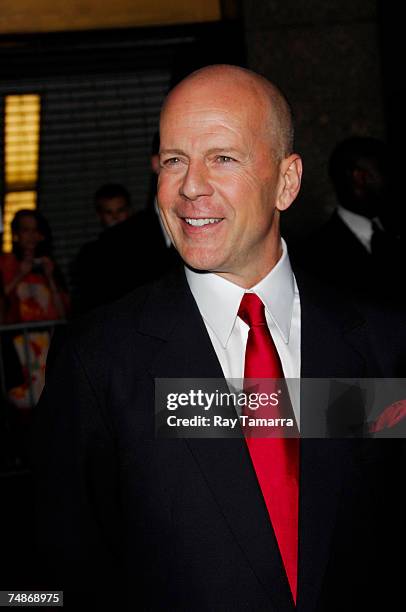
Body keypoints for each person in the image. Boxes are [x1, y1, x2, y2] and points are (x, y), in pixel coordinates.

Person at [34, 66, 405, 611]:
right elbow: (56, 573)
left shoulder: (381, 342)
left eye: (223, 158)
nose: (190, 186)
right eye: (174, 159)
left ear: (287, 181)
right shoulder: (100, 361)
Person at [293, 136, 405, 304]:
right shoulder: (314, 255)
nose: (394, 180)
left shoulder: (395, 233)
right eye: (385, 171)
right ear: (360, 177)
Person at [0, 209, 69, 409]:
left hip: (48, 347)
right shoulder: (6, 263)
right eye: (25, 230)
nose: (31, 236)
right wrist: (19, 274)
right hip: (17, 348)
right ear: (16, 234)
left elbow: (63, 312)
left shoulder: (49, 266)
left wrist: (49, 276)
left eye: (35, 231)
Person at [71, 183, 132, 313]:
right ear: (99, 215)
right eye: (109, 212)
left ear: (129, 211)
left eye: (120, 210)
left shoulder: (146, 247)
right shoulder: (89, 254)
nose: (115, 217)